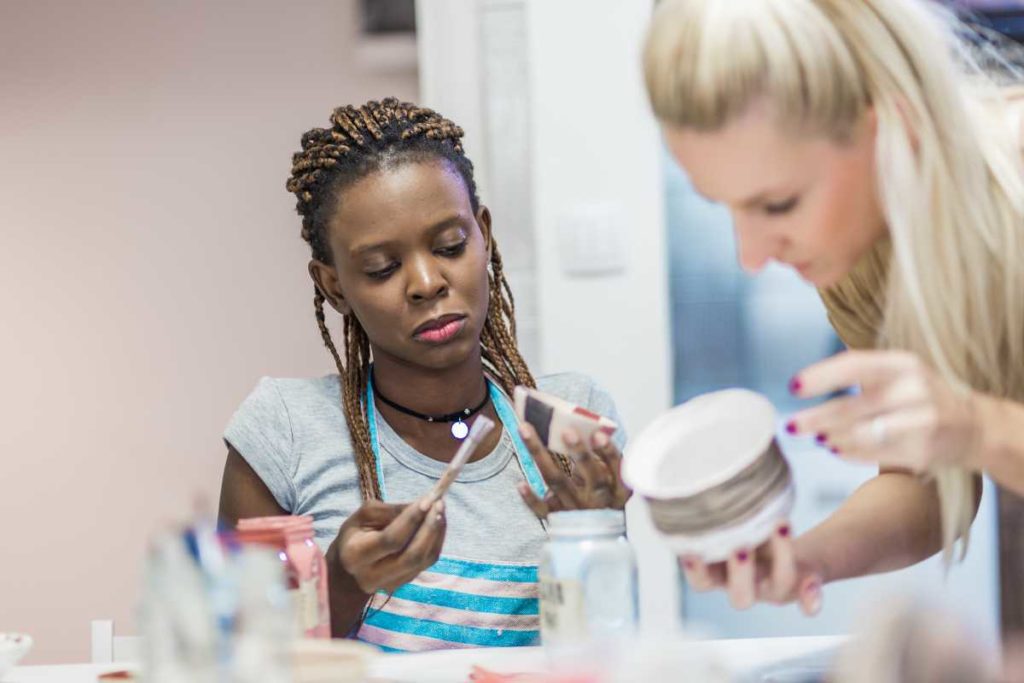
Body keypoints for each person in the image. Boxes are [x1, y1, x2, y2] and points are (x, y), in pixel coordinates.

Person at [643, 0, 1024, 631]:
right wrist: (803, 559)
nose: (752, 255)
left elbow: (965, 435)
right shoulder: (862, 256)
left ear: (890, 128)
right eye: (727, 208)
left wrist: (976, 427)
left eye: (779, 204)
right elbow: (926, 483)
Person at [217, 99, 629, 650]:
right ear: (335, 285)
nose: (426, 282)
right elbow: (228, 657)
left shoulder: (568, 422)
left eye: (450, 246)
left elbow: (614, 648)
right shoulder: (283, 432)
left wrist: (596, 542)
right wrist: (341, 581)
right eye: (382, 268)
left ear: (483, 236)